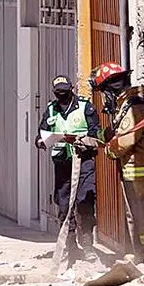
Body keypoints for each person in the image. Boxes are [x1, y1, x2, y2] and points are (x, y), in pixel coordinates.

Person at [89, 62, 144, 259]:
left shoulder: (135, 105)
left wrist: (110, 150)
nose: (104, 99)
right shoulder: (129, 103)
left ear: (111, 89)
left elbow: (127, 139)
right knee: (136, 216)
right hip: (136, 171)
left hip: (142, 171)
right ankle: (141, 253)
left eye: (104, 92)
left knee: (143, 217)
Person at [35, 75, 101, 262]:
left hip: (84, 161)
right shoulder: (50, 110)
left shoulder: (84, 106)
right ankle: (71, 246)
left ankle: (87, 245)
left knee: (85, 201)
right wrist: (42, 141)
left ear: (71, 89)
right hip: (62, 164)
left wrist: (83, 141)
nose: (61, 96)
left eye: (65, 92)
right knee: (64, 206)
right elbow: (39, 136)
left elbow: (96, 133)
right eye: (58, 93)